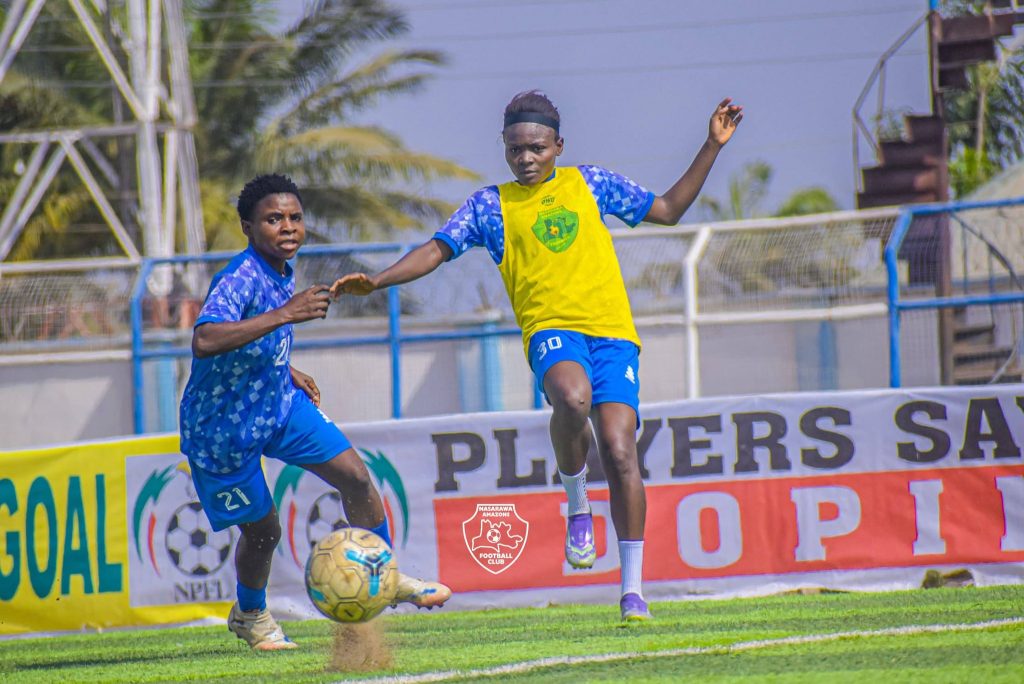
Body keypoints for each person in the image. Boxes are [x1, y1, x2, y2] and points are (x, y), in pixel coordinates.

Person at [331, 91, 742, 622]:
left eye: (537, 148)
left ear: (558, 146)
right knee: (572, 398)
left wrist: (712, 144)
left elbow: (667, 210)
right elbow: (436, 249)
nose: (525, 158)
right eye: (515, 149)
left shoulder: (589, 183)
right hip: (551, 331)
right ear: (504, 147)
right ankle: (577, 503)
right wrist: (379, 280)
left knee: (621, 451)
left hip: (613, 334)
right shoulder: (490, 206)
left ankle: (633, 591)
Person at [179, 173, 451, 651]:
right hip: (222, 430)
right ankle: (250, 614)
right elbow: (206, 339)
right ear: (247, 227)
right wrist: (287, 314)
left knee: (357, 478)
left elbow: (251, 341)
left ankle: (383, 575)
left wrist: (286, 370)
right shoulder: (239, 276)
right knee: (263, 531)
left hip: (278, 405)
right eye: (273, 219)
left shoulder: (282, 269)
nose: (287, 227)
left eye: (295, 217)